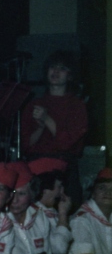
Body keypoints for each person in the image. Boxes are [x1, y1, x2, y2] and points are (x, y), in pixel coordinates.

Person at [19, 51, 88, 204]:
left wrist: (47, 119)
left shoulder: (77, 105)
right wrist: (40, 128)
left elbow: (67, 143)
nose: (55, 71)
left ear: (70, 76)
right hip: (36, 167)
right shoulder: (34, 104)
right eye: (52, 67)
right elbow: (26, 146)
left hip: (65, 169)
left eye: (62, 68)